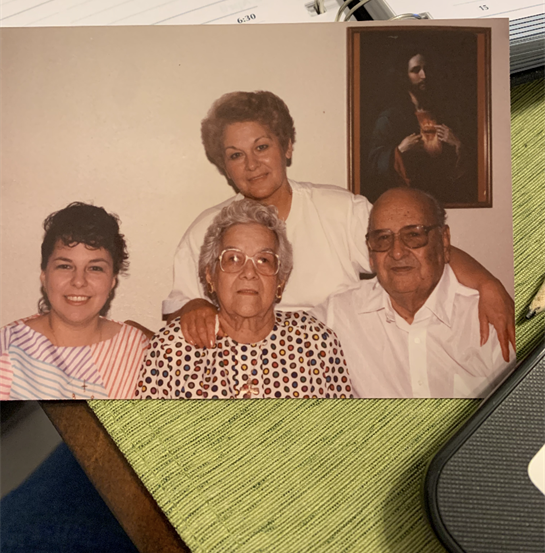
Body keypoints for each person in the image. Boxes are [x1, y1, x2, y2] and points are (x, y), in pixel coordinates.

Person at [163, 90, 515, 359]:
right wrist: (194, 306)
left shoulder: (339, 210)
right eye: (236, 155)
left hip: (338, 369)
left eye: (262, 147)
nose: (251, 164)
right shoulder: (207, 229)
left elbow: (418, 247)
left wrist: (488, 284)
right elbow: (180, 305)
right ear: (224, 166)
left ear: (287, 147)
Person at [137, 200, 353, 398]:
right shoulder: (172, 349)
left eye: (264, 260)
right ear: (210, 276)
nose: (249, 273)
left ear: (281, 280)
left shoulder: (317, 343)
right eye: (233, 258)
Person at [317, 189, 514, 398]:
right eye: (383, 238)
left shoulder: (491, 318)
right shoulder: (339, 315)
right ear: (371, 253)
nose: (397, 252)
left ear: (444, 240)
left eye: (413, 235)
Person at [0, 203, 149, 400]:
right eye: (65, 266)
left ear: (112, 280)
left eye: (95, 268)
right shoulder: (8, 347)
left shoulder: (138, 349)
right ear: (44, 276)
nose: (79, 281)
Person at [367, 47, 466, 201]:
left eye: (426, 69)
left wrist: (457, 144)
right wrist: (400, 150)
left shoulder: (446, 115)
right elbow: (373, 164)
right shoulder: (390, 118)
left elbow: (464, 172)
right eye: (415, 70)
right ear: (403, 76)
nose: (424, 75)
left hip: (445, 197)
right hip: (408, 199)